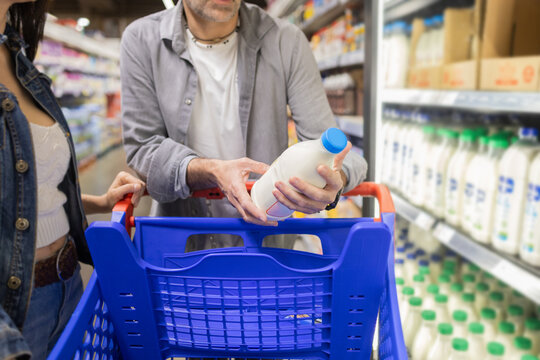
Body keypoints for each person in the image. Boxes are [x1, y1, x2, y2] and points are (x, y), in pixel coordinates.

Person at [121, 0, 367, 250]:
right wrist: (209, 170)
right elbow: (142, 148)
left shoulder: (286, 40)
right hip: (180, 246)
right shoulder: (141, 40)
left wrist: (335, 179)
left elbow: (338, 152)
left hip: (265, 243)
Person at [0, 1, 146, 359]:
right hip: (15, 311)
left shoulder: (15, 51)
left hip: (67, 285)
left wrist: (100, 202)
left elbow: (27, 191)